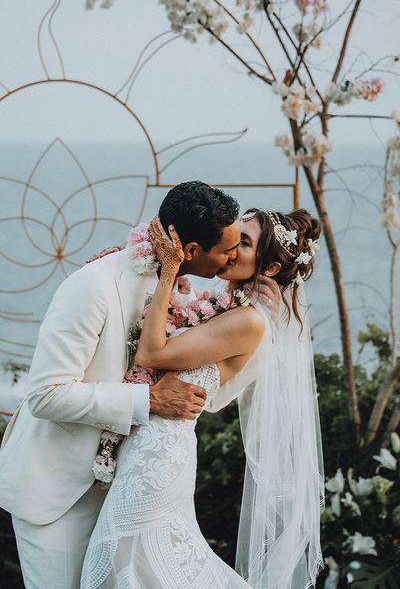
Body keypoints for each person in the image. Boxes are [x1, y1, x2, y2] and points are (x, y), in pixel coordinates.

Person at [0, 181, 279, 589]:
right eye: (228, 250)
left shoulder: (183, 289)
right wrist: (146, 399)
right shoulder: (94, 285)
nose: (234, 256)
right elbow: (46, 394)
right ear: (191, 251)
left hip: (124, 488)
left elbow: (210, 381)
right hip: (56, 493)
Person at [81, 207, 325, 588]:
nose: (228, 247)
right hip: (145, 445)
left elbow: (151, 355)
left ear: (271, 268)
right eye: (233, 235)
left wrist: (166, 272)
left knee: (122, 564)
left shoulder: (250, 320)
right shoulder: (227, 306)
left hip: (159, 455)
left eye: (244, 243)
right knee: (136, 567)